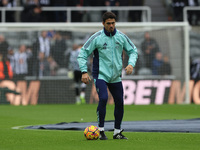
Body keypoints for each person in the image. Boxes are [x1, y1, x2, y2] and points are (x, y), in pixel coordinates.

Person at [77, 12, 138, 140]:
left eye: (113, 23)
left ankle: (117, 132)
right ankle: (100, 130)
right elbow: (83, 53)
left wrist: (131, 64)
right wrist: (83, 71)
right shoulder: (96, 37)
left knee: (120, 102)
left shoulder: (121, 37)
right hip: (101, 75)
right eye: (108, 23)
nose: (111, 26)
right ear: (103, 23)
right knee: (103, 99)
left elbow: (133, 50)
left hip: (116, 76)